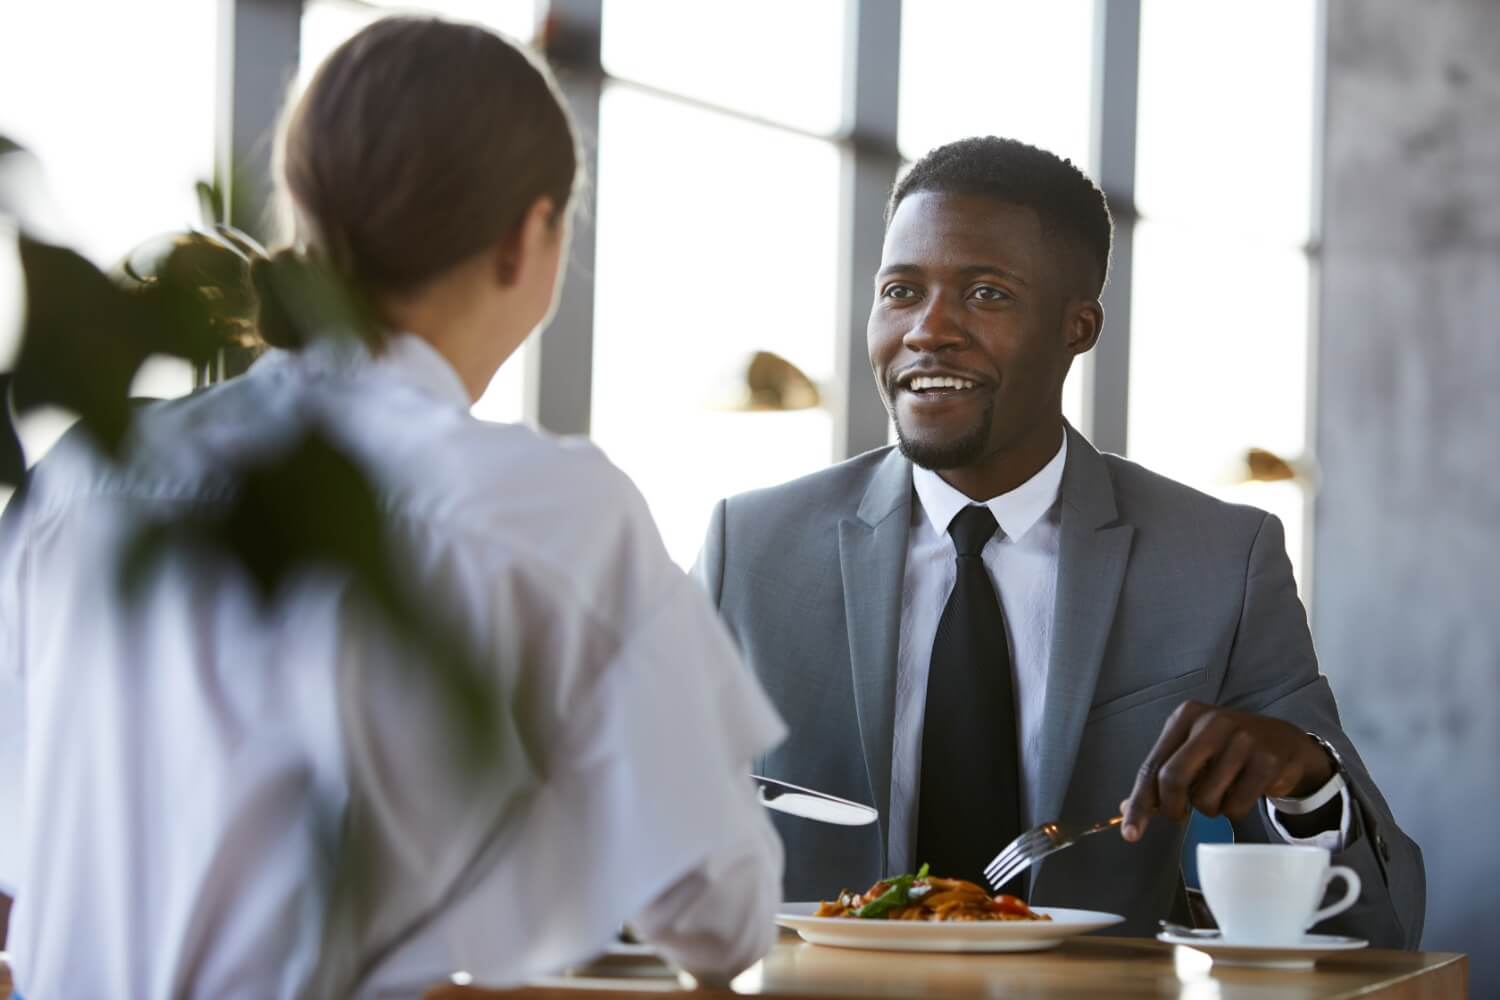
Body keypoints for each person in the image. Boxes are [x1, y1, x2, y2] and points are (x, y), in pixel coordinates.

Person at [0, 17, 785, 997]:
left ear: (301, 214)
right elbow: (718, 917)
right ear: (525, 242)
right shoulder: (552, 510)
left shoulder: (81, 477)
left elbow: (18, 866)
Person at [694, 136, 1424, 946]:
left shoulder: (1221, 560)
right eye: (901, 290)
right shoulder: (751, 548)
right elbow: (636, 838)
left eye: (985, 294)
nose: (928, 330)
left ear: (1078, 327)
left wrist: (1308, 783)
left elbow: (1382, 923)